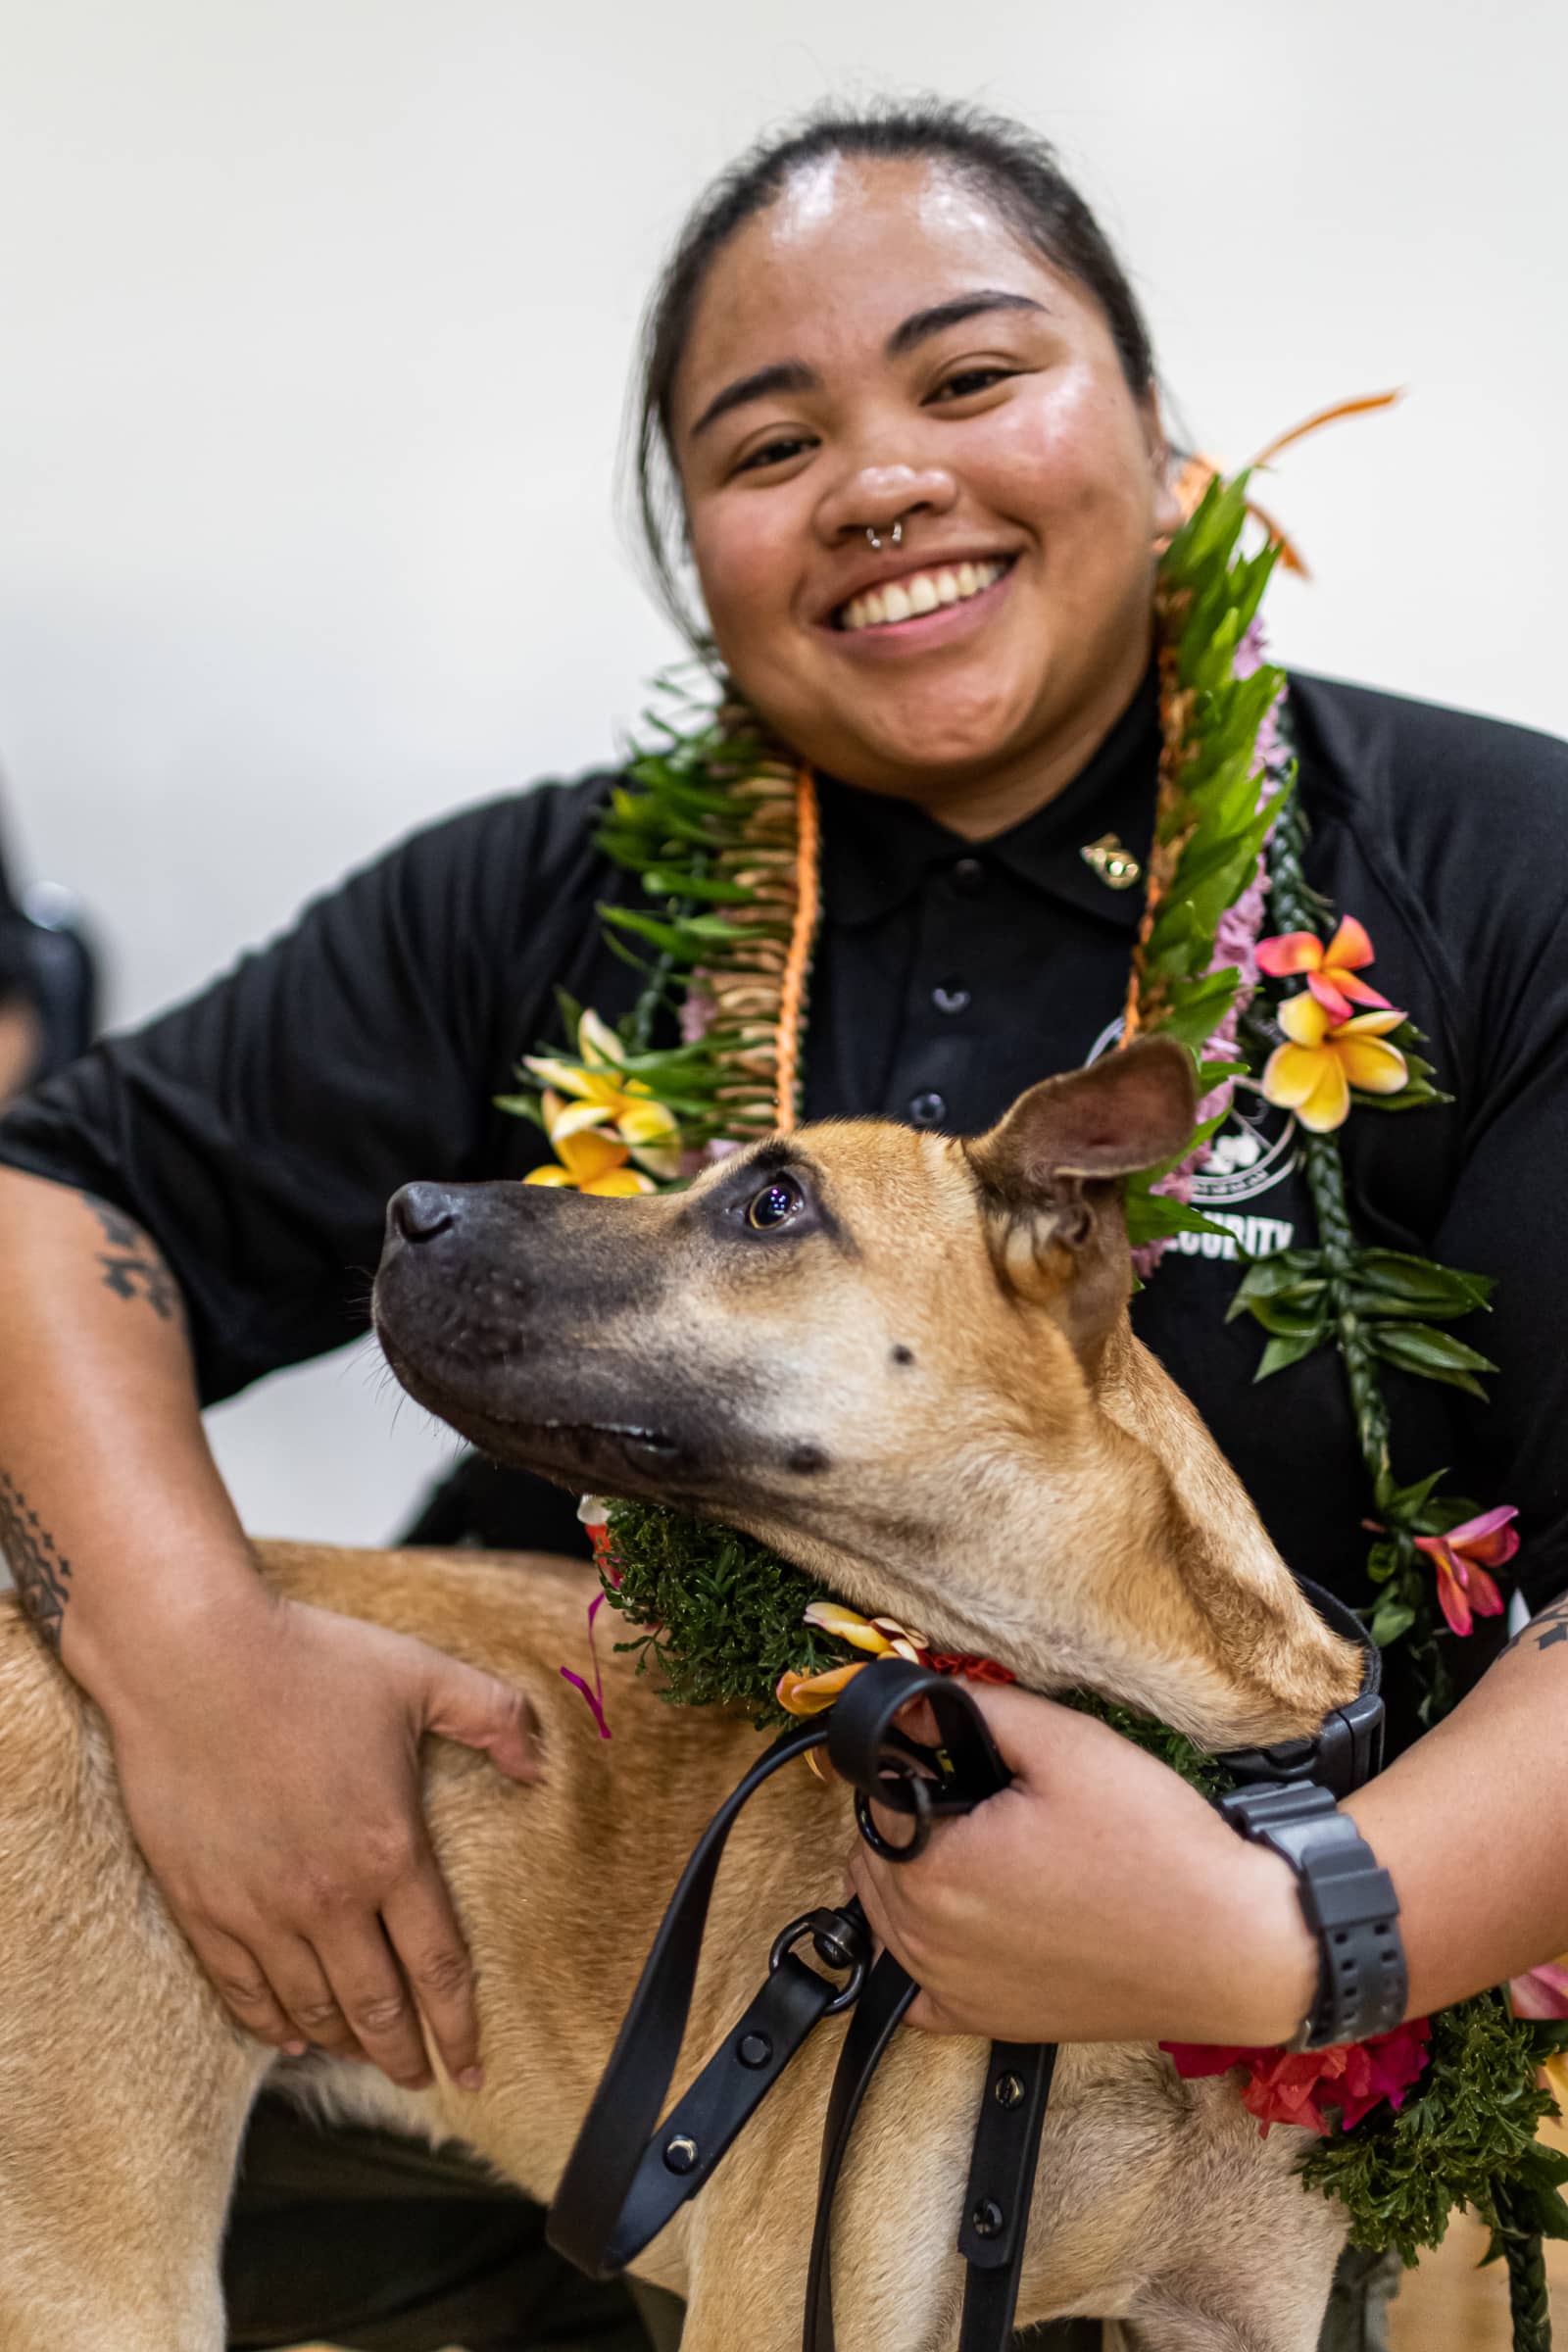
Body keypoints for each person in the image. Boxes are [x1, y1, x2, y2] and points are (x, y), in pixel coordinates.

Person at [1, 99, 1566, 2352]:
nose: (876, 480)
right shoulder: (538, 885)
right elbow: (56, 1189)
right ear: (692, 552)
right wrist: (190, 1661)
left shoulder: (1498, 877)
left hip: (1363, 2099)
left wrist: (1272, 1932)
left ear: (1162, 435)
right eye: (762, 442)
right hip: (544, 2055)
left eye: (966, 377)